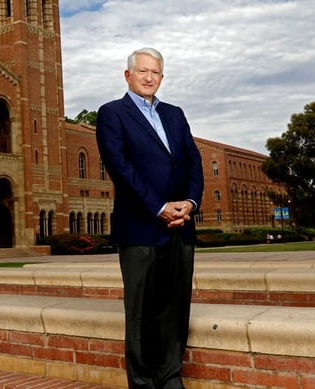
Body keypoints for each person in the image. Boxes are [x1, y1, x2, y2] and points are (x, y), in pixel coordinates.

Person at [96, 47, 204, 389]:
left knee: (175, 310)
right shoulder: (112, 113)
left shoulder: (175, 114)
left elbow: (192, 161)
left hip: (181, 228)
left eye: (155, 72)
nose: (148, 77)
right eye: (142, 71)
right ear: (127, 75)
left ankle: (171, 378)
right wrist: (159, 207)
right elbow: (120, 167)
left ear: (161, 77)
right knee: (141, 314)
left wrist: (189, 202)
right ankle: (142, 384)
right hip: (140, 227)